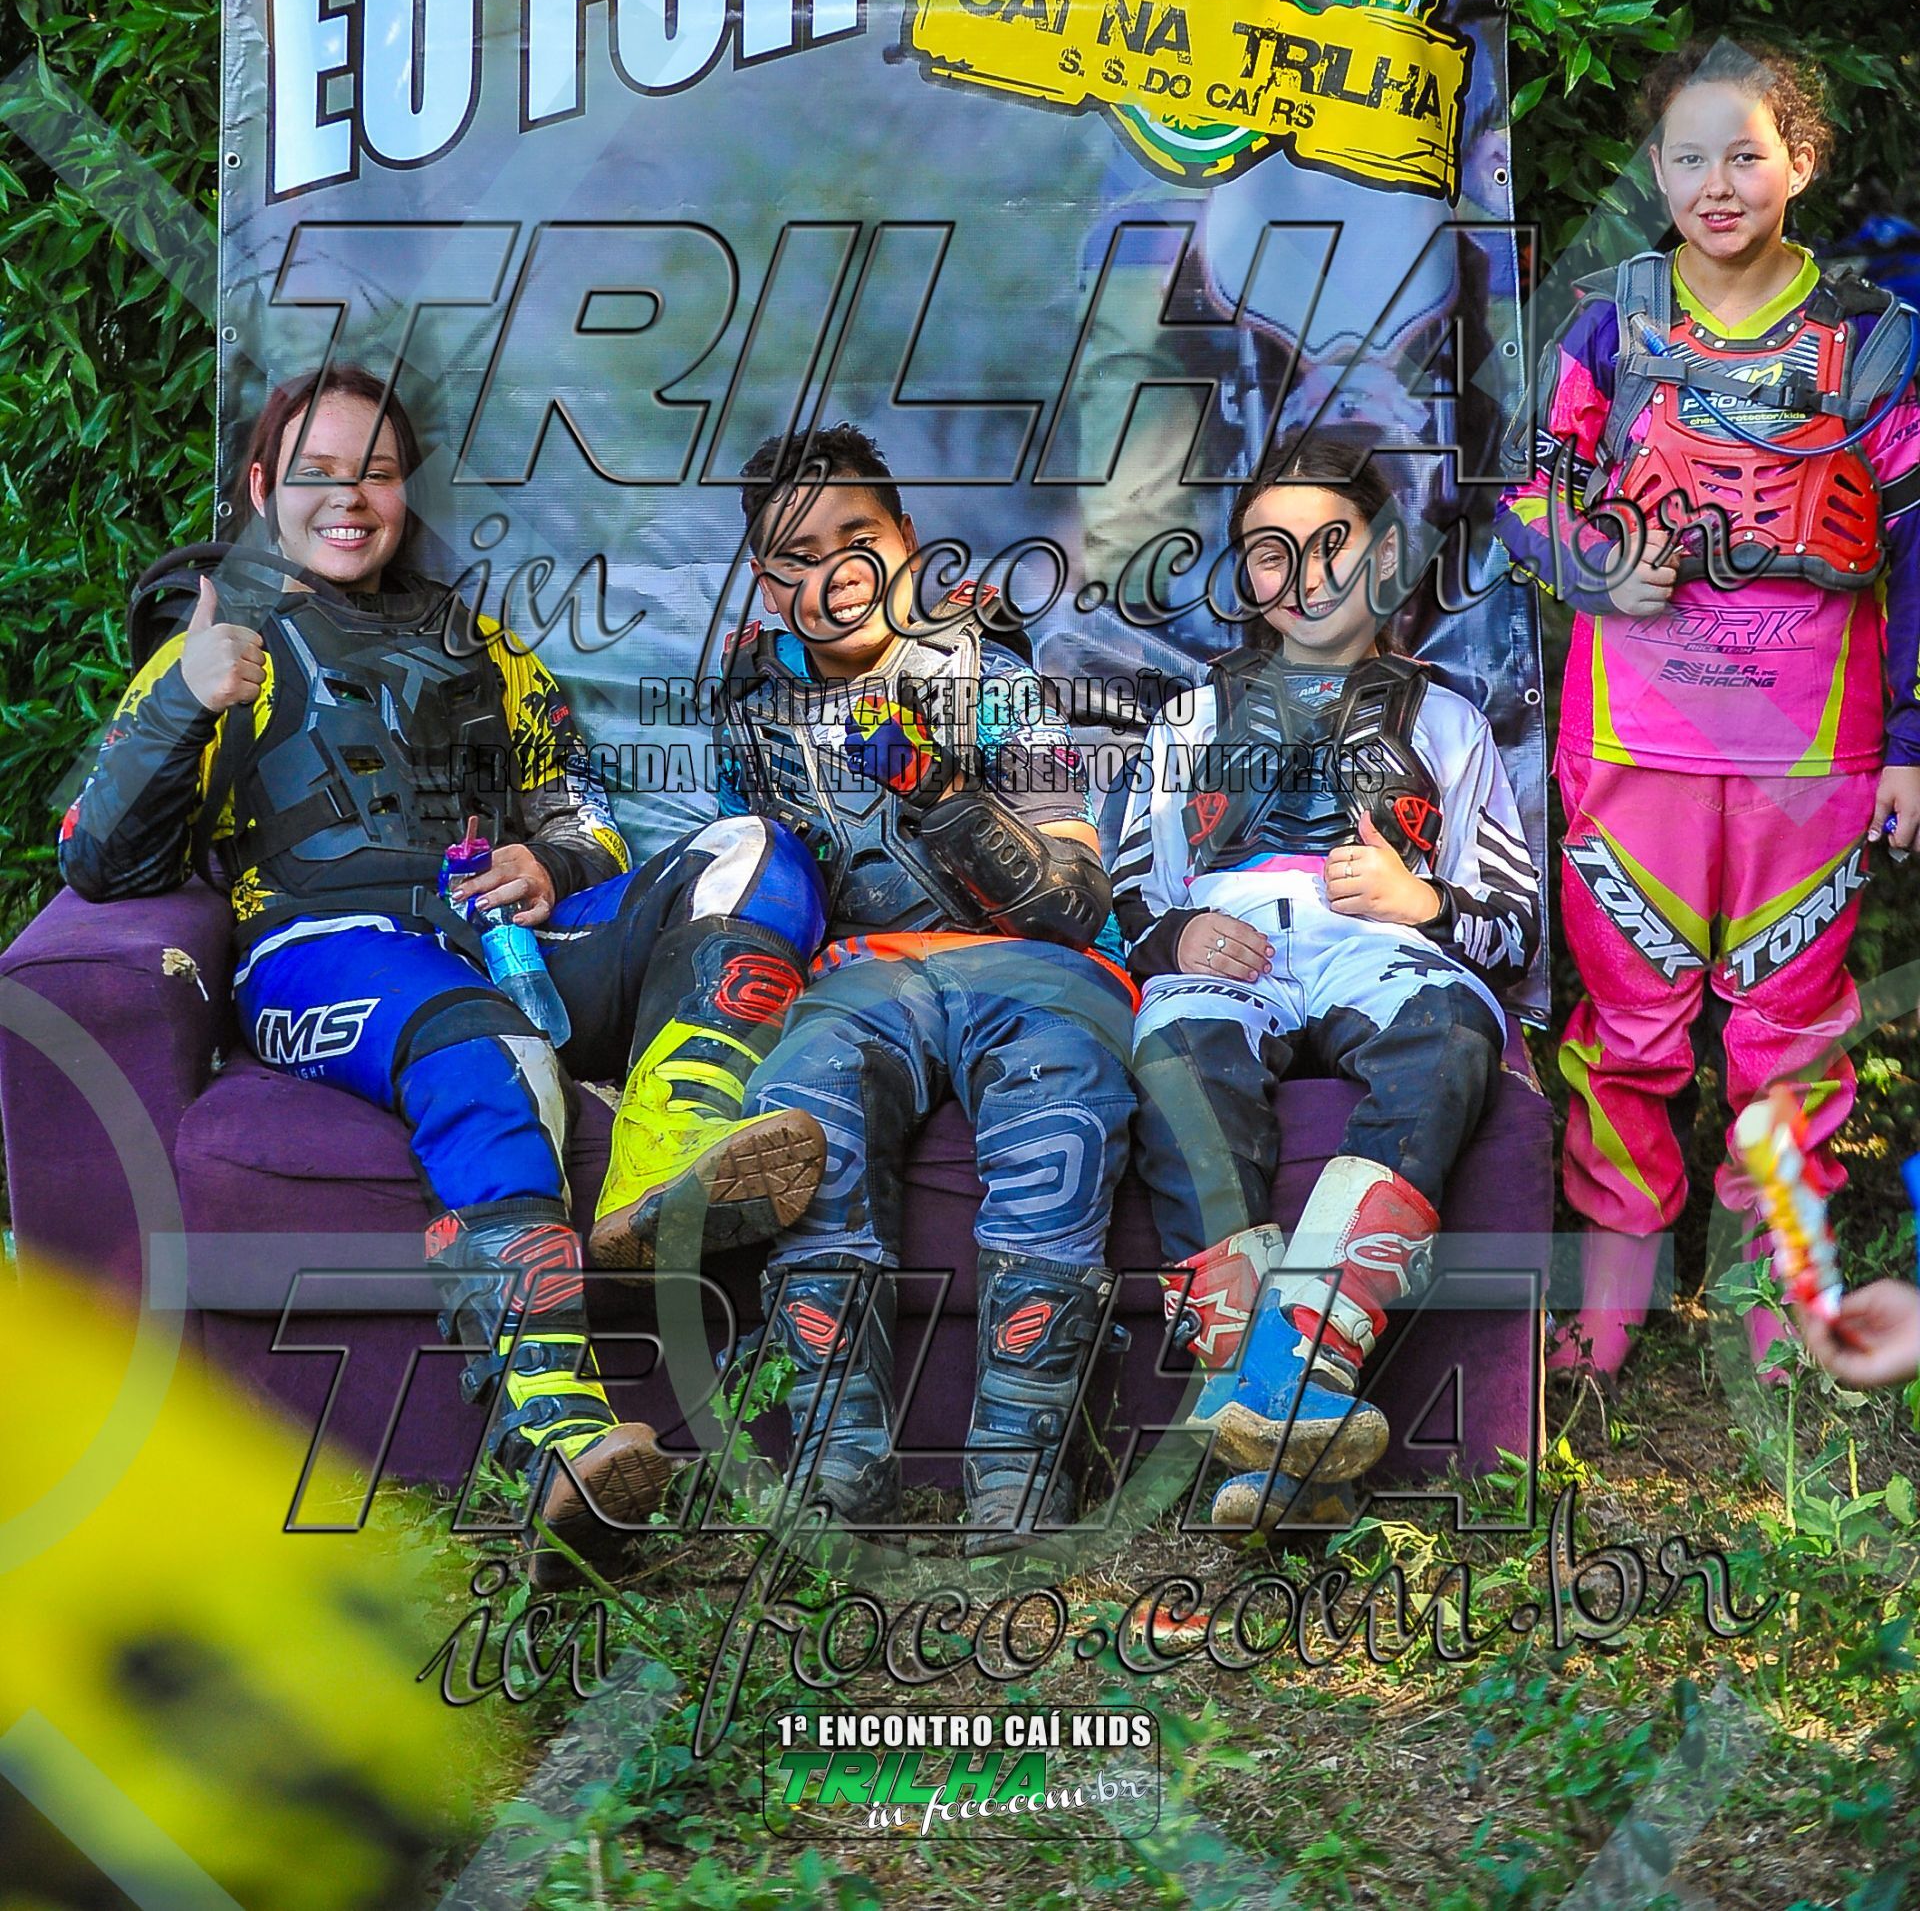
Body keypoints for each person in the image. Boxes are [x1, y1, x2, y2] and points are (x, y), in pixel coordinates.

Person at [58, 366, 825, 1576]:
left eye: (374, 470)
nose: (348, 497)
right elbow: (96, 857)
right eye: (315, 473)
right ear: (260, 487)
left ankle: (662, 1163)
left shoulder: (484, 645)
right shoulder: (215, 646)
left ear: (405, 490)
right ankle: (559, 1437)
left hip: (505, 941)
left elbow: (584, 816)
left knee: (754, 854)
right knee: (491, 1049)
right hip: (323, 956)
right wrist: (185, 704)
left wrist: (549, 861)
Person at [1497, 34, 1920, 1379]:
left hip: (1816, 759)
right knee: (1625, 1031)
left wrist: (1912, 743)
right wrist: (1591, 563)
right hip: (1634, 750)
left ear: (1802, 161)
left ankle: (1775, 1290)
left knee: (1790, 1036)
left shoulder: (1872, 341)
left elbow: (1919, 547)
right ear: (1658, 170)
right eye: (1690, 158)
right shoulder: (1609, 325)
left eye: (1747, 154)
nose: (1718, 184)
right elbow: (1521, 494)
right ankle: (1616, 1290)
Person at [707, 421, 1132, 1541]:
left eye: (859, 539)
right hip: (861, 979)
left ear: (907, 537)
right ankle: (839, 1465)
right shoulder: (750, 714)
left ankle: (1018, 1471)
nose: (836, 573)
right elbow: (733, 887)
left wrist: (941, 791)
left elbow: (1076, 898)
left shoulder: (992, 679)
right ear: (766, 583)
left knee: (1059, 1108)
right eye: (798, 556)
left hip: (1033, 968)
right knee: (800, 1113)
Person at [1112, 432, 1538, 1531]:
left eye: (1331, 543)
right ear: (1244, 573)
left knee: (1450, 1031)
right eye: (1271, 551)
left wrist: (1420, 899)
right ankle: (1280, 1425)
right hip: (1233, 947)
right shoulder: (1189, 721)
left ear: (1385, 556)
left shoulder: (1447, 722)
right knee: (1178, 1058)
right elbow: (1127, 896)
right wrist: (1180, 935)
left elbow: (1515, 926)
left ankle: (1285, 1375)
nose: (1303, 576)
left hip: (1379, 944)